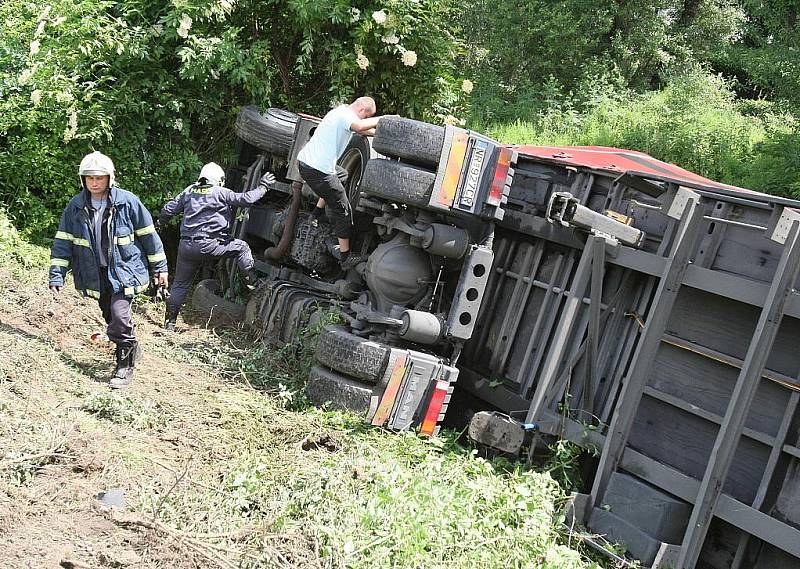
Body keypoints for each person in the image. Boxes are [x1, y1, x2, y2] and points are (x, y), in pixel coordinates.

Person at [49, 151, 169, 389]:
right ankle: (132, 346)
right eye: (90, 178)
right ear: (83, 179)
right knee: (110, 316)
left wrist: (160, 268)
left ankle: (124, 367)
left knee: (120, 315)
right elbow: (63, 241)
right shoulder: (75, 206)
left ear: (109, 178)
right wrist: (57, 273)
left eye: (99, 178)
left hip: (125, 271)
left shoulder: (128, 202)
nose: (94, 183)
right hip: (95, 273)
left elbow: (149, 237)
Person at [157, 163, 275, 330]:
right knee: (241, 248)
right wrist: (263, 187)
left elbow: (168, 210)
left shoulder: (189, 191)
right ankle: (253, 282)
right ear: (219, 180)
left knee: (180, 284)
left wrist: (159, 224)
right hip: (212, 245)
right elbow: (246, 199)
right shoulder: (221, 192)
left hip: (187, 246)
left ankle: (170, 323)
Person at [297, 97, 382, 269]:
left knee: (342, 174)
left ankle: (316, 212)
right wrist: (384, 120)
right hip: (318, 171)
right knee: (343, 210)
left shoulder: (339, 112)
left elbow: (361, 130)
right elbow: (359, 127)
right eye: (366, 117)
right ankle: (345, 257)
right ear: (362, 111)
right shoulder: (346, 116)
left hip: (308, 164)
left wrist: (378, 133)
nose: (365, 121)